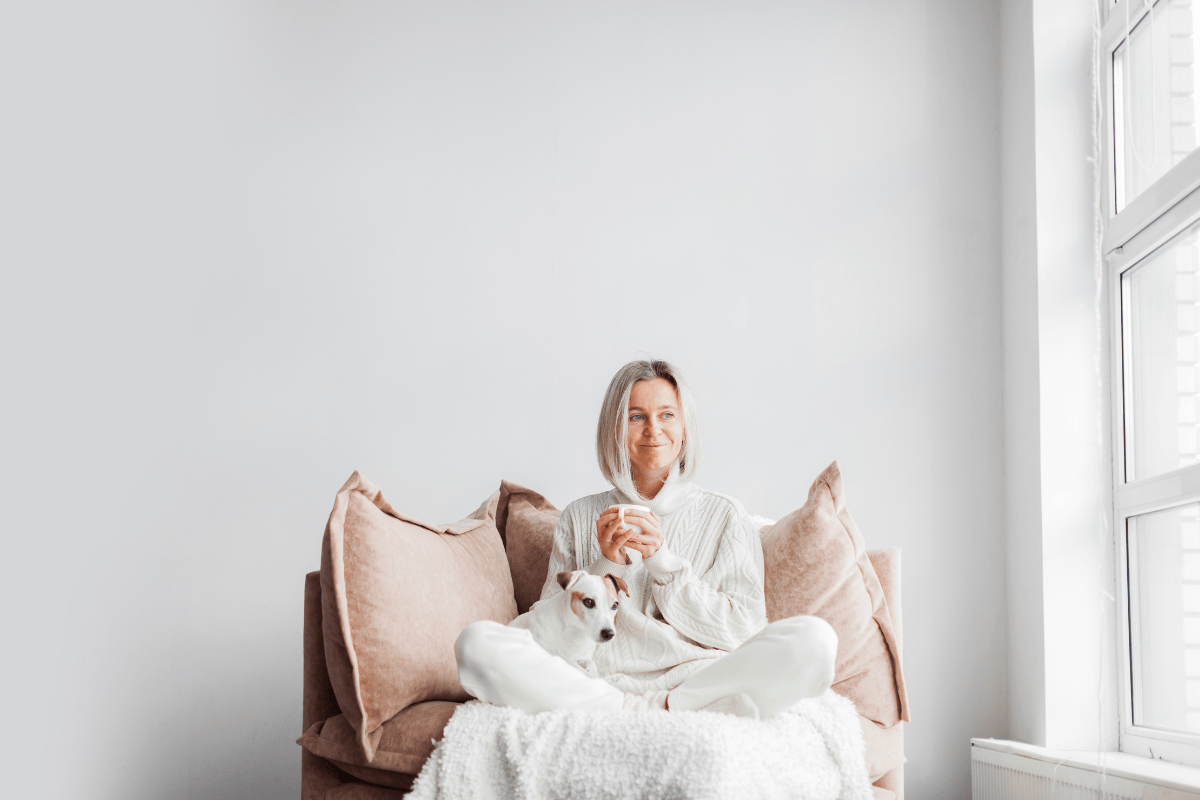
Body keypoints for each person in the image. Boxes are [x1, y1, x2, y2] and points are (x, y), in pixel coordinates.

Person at [455, 359, 837, 717]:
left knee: (815, 639)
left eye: (667, 415)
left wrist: (665, 564)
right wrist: (603, 569)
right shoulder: (579, 516)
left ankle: (673, 705)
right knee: (476, 645)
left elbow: (745, 631)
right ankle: (628, 709)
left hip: (697, 682)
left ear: (684, 429)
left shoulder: (726, 515)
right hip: (596, 684)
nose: (653, 430)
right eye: (636, 417)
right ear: (615, 430)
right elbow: (546, 633)